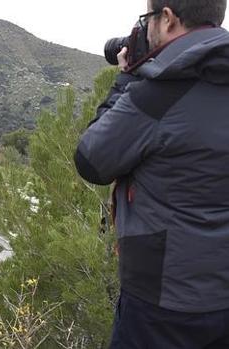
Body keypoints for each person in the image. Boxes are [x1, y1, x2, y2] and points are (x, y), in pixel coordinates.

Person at [74, 0, 229, 347]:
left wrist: (126, 79)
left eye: (148, 20)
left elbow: (91, 159)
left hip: (162, 304)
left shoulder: (158, 94)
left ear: (169, 18)